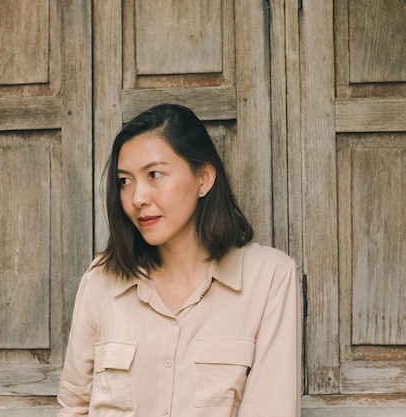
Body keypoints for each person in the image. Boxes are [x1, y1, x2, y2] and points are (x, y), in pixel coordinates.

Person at [57, 103, 301, 417]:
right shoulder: (101, 282)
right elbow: (74, 407)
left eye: (154, 174)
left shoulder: (269, 278)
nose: (137, 198)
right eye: (125, 181)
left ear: (203, 178)